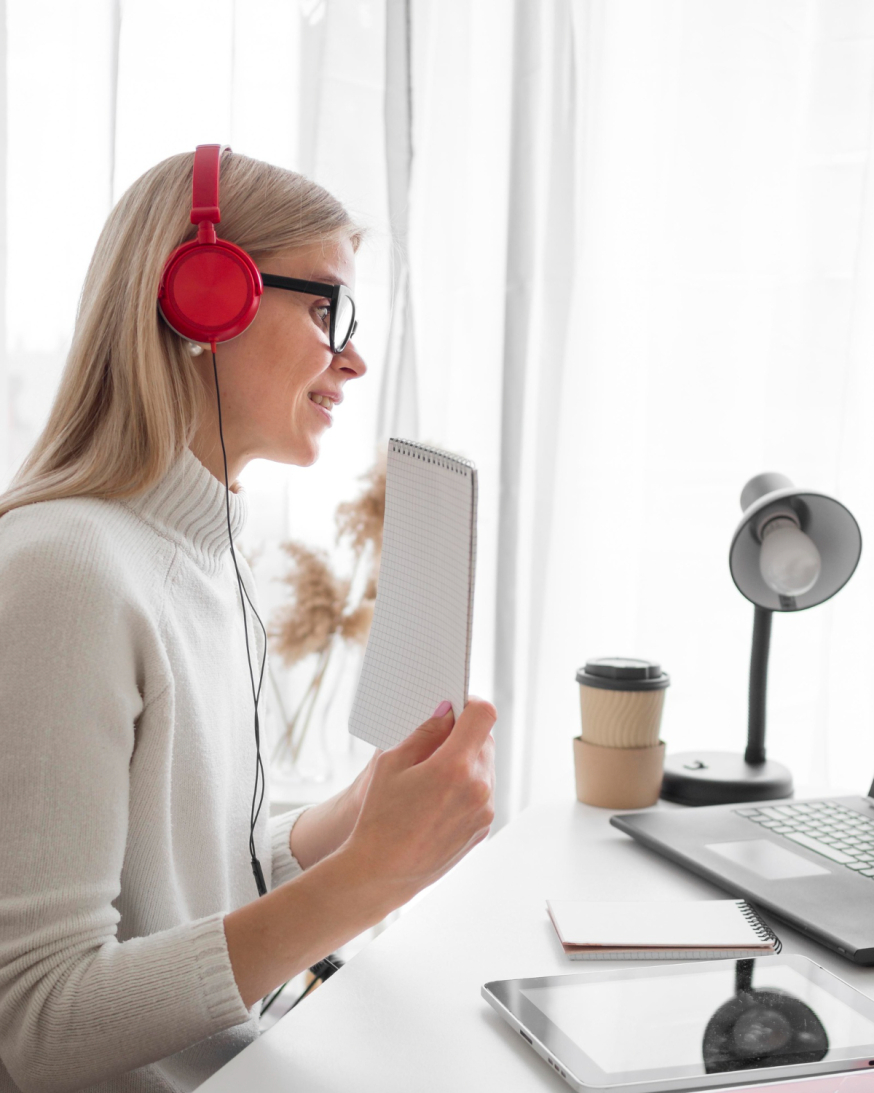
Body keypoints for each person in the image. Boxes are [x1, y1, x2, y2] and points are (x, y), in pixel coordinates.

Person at [0, 148, 496, 1093]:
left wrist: (359, 816)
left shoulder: (208, 557)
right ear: (204, 301)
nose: (353, 358)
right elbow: (38, 1020)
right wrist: (367, 879)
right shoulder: (67, 570)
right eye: (326, 310)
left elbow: (206, 881)